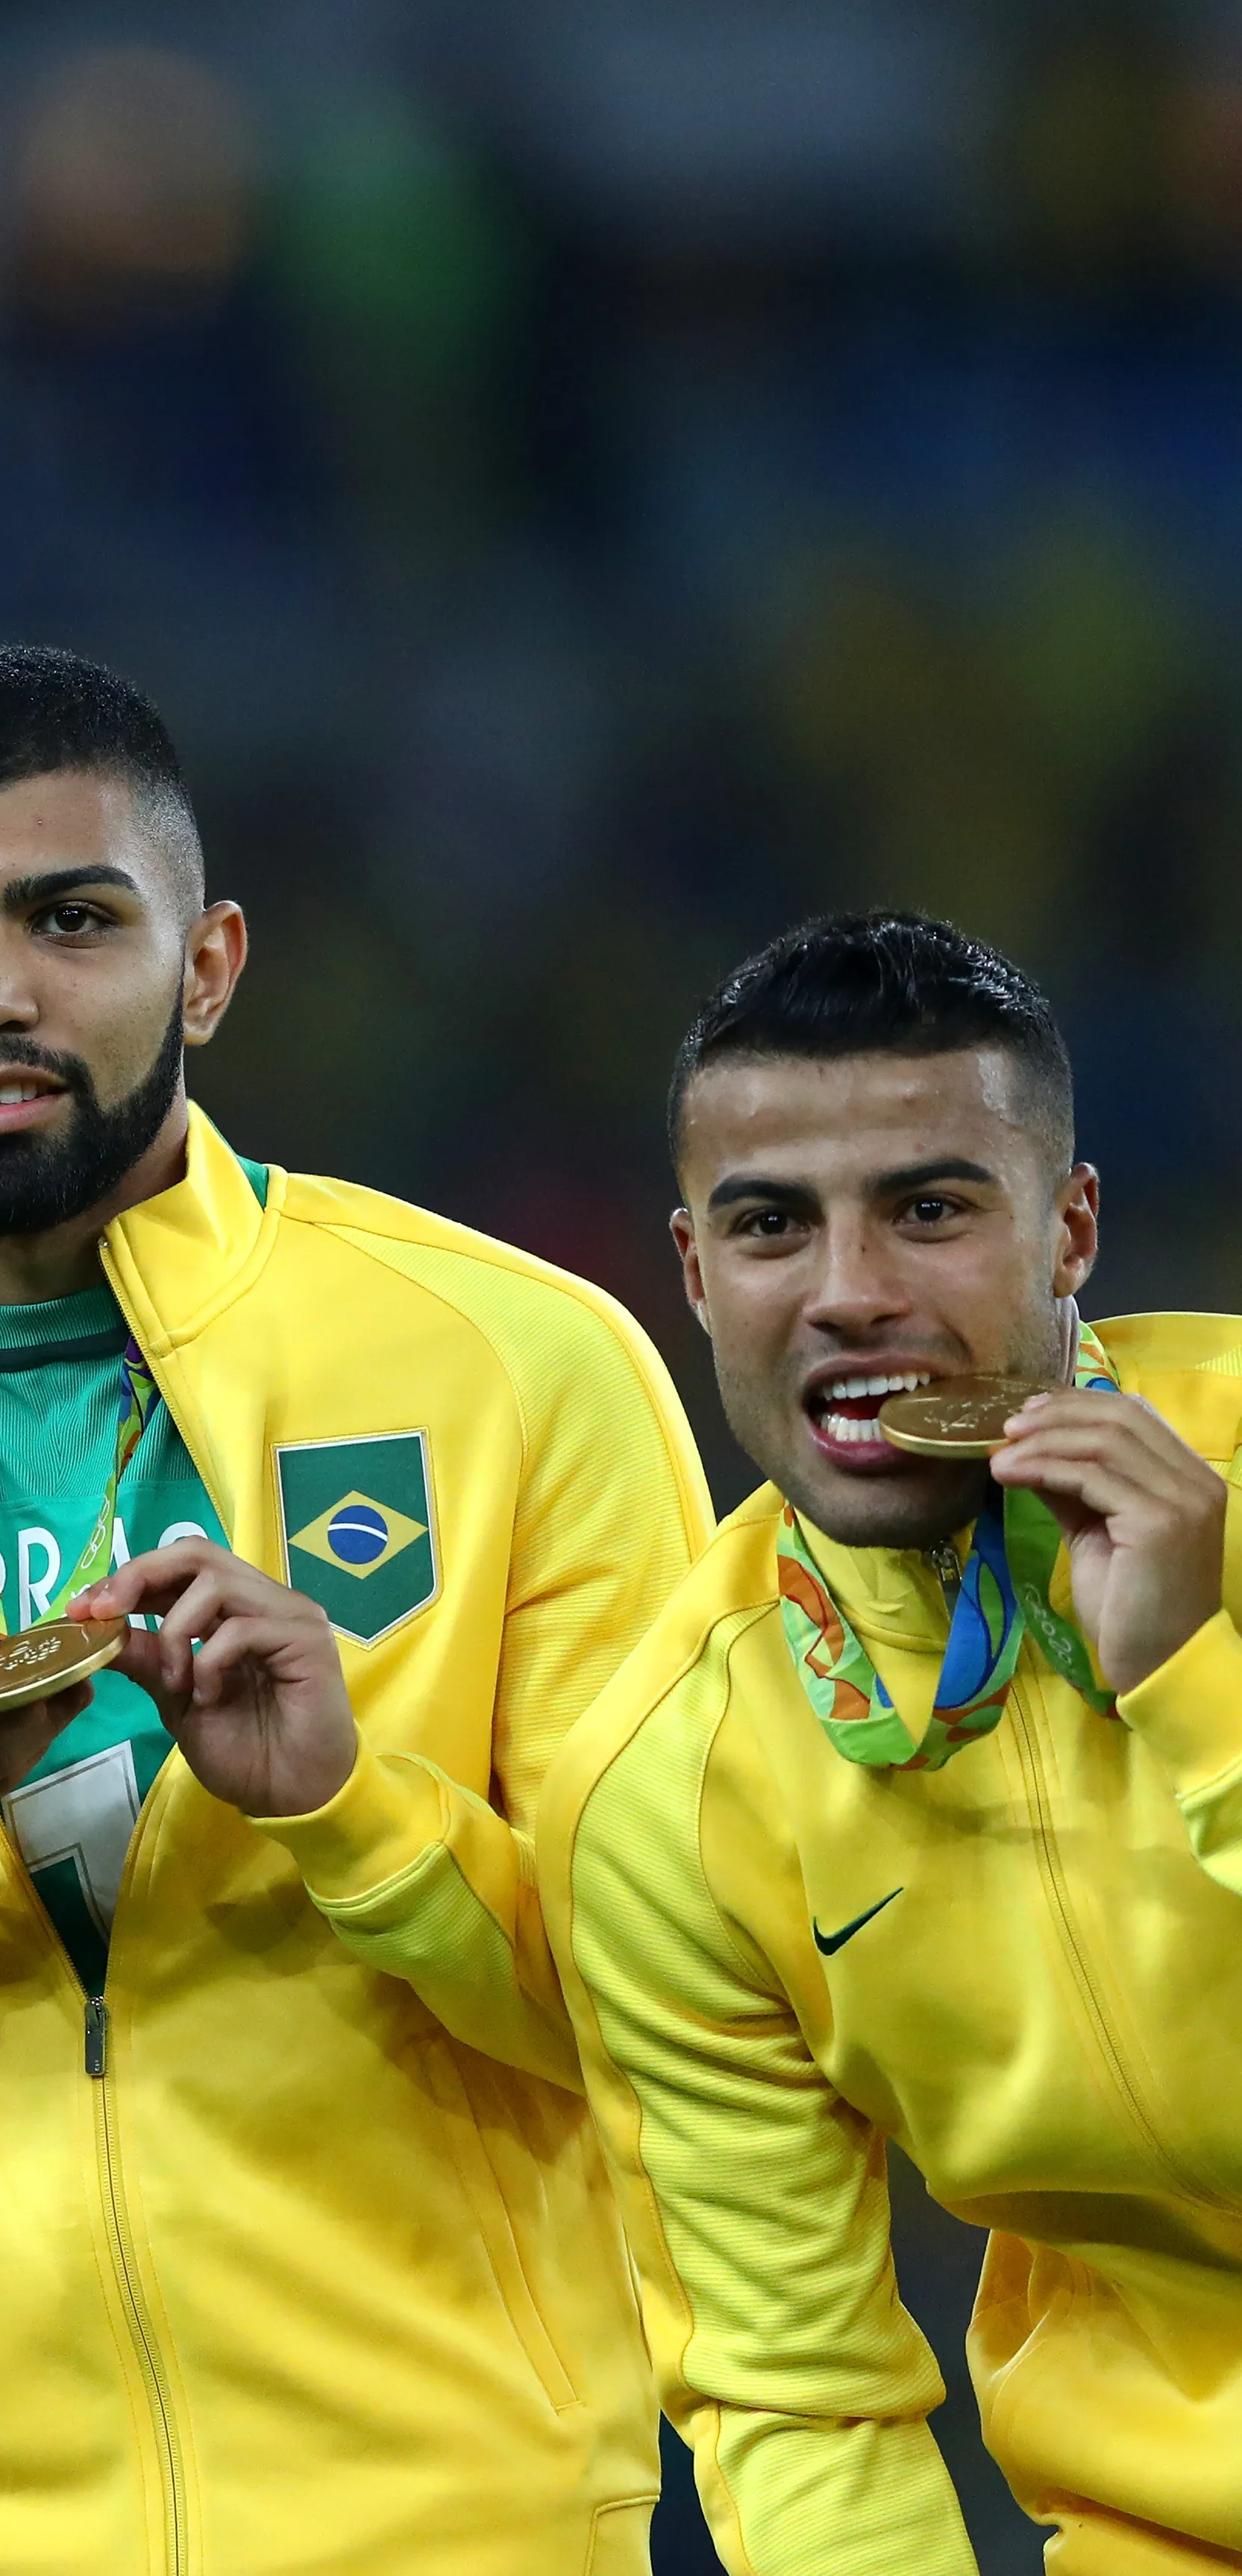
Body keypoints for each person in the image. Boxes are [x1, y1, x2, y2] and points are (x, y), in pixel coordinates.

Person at [0, 645, 715, 2575]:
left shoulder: (519, 1363)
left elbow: (702, 2022)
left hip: (466, 2531)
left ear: (209, 964)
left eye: (72, 917)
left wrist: (356, 1811)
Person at [536, 910, 1242, 2573]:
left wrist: (1195, 1680)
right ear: (699, 1272)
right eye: (774, 1226)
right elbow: (799, 2401)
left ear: (1070, 1229)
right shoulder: (664, 1782)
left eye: (929, 1210)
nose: (851, 1295)